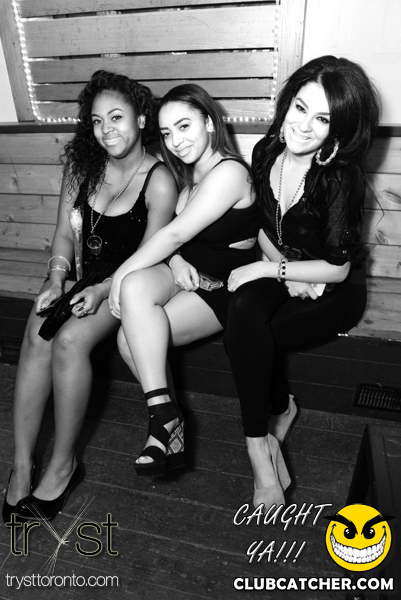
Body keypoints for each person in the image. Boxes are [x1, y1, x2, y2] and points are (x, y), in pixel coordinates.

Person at [3, 70, 177, 523]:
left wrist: (103, 290)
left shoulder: (159, 180)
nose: (106, 130)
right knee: (35, 330)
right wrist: (55, 280)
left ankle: (64, 466)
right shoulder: (82, 168)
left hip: (128, 287)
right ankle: (21, 464)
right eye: (97, 121)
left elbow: (149, 256)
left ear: (142, 119)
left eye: (116, 117)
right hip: (79, 280)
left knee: (68, 340)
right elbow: (64, 235)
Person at [224, 55, 381, 513]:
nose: (304, 126)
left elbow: (338, 269)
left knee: (254, 335)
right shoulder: (265, 151)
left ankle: (280, 411)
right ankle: (260, 446)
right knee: (243, 313)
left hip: (335, 289)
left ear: (339, 130)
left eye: (323, 119)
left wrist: (270, 271)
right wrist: (280, 267)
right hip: (284, 267)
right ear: (288, 103)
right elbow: (260, 223)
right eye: (300, 108)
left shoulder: (339, 179)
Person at [108, 83, 258, 477]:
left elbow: (175, 233)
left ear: (209, 122)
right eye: (167, 132)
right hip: (186, 274)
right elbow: (177, 239)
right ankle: (165, 414)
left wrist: (121, 271)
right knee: (135, 289)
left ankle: (165, 423)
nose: (176, 141)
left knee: (127, 338)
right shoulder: (190, 175)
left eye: (184, 126)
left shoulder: (230, 172)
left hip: (221, 288)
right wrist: (174, 261)